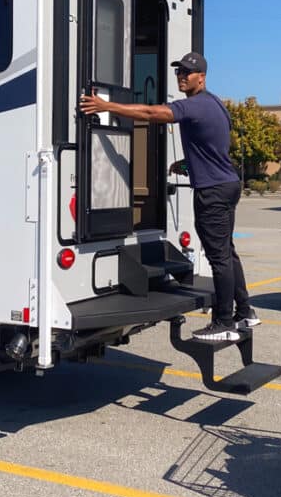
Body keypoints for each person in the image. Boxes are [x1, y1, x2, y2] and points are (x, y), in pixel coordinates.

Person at [78, 50, 260, 341]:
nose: (181, 76)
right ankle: (246, 312)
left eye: (187, 72)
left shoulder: (195, 105)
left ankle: (225, 321)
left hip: (213, 191)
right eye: (179, 71)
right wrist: (187, 165)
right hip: (227, 184)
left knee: (219, 258)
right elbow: (212, 148)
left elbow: (153, 114)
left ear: (201, 77)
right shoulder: (216, 105)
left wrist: (106, 105)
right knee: (227, 252)